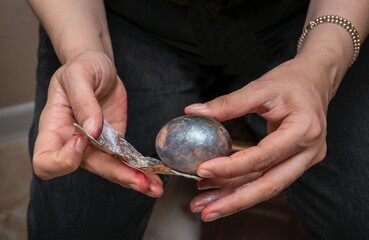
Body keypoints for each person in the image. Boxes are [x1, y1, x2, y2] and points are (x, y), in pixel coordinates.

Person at [26, 0, 369, 239]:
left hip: (307, 21)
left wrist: (321, 65)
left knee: (357, 215)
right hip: (123, 22)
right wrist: (84, 50)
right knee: (70, 226)